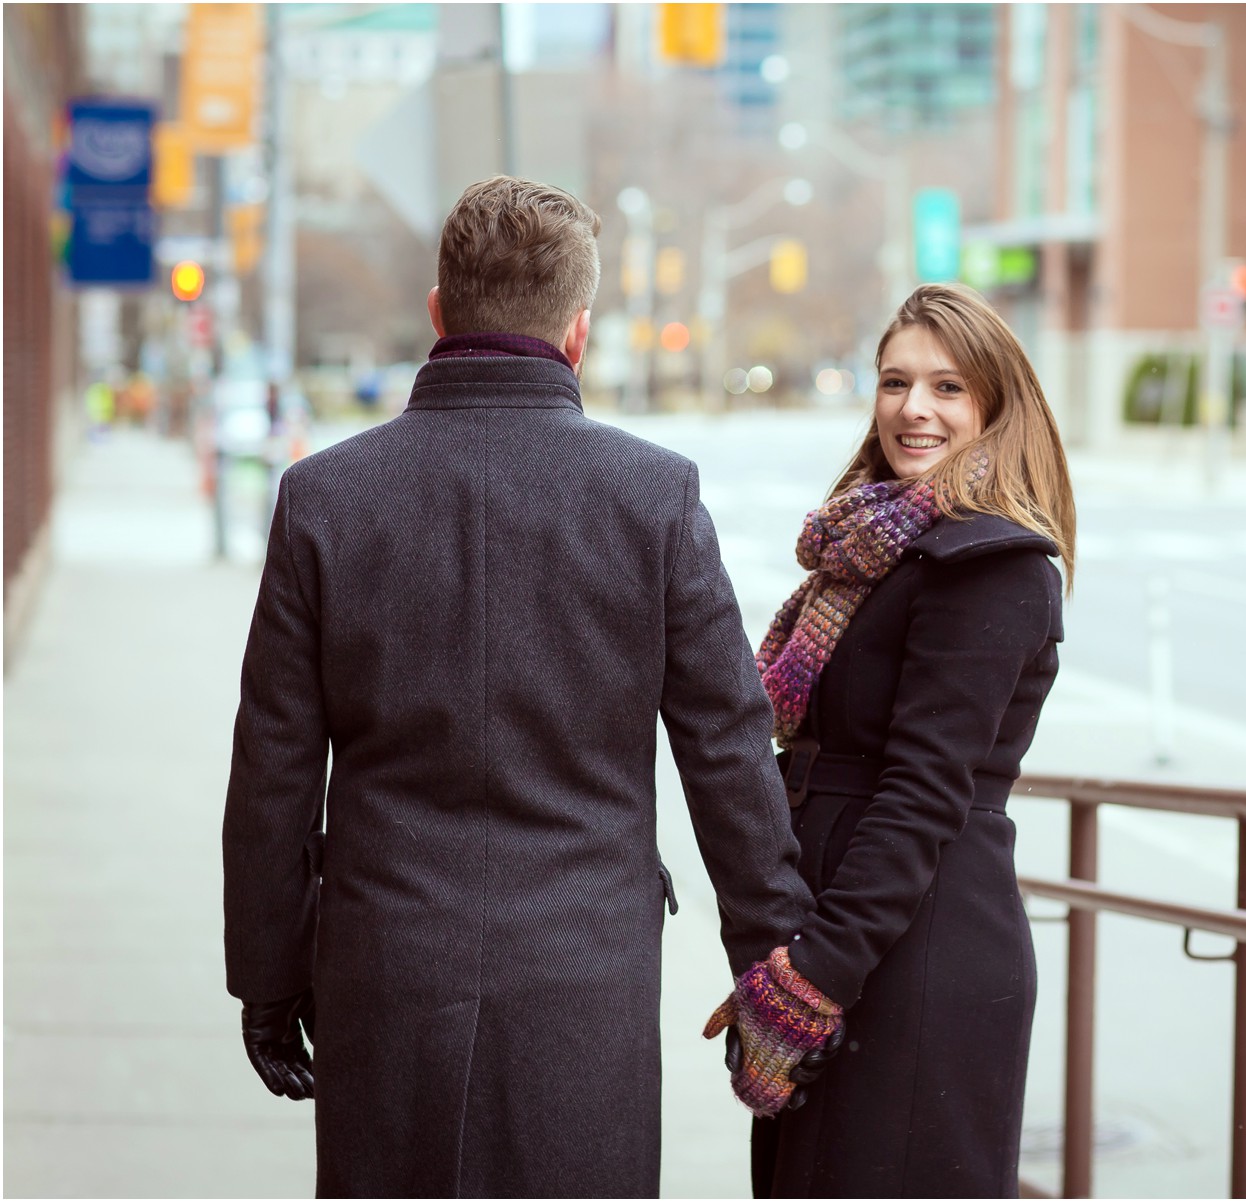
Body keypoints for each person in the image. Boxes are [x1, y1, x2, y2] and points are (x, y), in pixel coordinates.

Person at [221, 175, 840, 1198]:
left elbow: (273, 769)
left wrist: (268, 973)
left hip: (385, 965)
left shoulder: (323, 499)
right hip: (583, 973)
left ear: (437, 313)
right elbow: (726, 750)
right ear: (579, 333)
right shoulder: (655, 496)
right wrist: (769, 961)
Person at [719, 282, 1077, 1198]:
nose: (913, 408)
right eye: (895, 382)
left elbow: (923, 796)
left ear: (997, 407)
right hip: (847, 934)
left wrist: (810, 978)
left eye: (948, 387)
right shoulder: (873, 554)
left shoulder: (993, 567)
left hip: (912, 957)